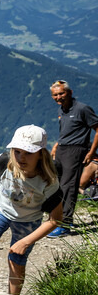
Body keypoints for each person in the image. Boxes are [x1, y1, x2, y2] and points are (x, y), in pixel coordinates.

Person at [0, 125, 63, 295]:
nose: (21, 158)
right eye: (17, 151)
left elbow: (56, 219)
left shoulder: (48, 181)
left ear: (40, 154)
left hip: (28, 220)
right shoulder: (5, 160)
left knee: (17, 261)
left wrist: (26, 241)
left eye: (28, 153)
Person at [49, 80, 98, 236]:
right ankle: (55, 219)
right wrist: (56, 145)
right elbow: (66, 131)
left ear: (69, 93)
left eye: (61, 93)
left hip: (76, 151)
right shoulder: (62, 110)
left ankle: (64, 225)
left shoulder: (82, 109)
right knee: (57, 184)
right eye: (55, 95)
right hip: (62, 150)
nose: (59, 97)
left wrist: (91, 153)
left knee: (69, 187)